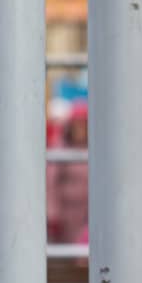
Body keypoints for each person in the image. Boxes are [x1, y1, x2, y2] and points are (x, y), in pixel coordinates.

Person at [46, 102, 90, 244]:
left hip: (88, 214)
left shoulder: (95, 149)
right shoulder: (60, 149)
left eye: (84, 125)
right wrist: (53, 214)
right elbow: (50, 183)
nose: (81, 130)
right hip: (65, 216)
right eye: (78, 125)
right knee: (66, 257)